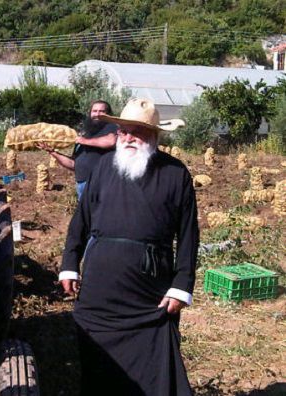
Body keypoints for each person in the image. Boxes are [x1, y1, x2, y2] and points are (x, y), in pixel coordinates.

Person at [59, 98, 198, 395]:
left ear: (154, 136)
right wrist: (69, 264)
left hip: (149, 293)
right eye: (124, 131)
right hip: (100, 287)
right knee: (96, 356)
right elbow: (80, 221)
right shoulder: (104, 167)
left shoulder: (175, 174)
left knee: (153, 363)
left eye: (138, 131)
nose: (129, 137)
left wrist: (181, 286)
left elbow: (188, 236)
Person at [37, 100, 117, 199]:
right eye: (94, 111)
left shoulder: (111, 127)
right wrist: (52, 152)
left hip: (100, 185)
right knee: (85, 214)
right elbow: (73, 164)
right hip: (82, 184)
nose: (97, 114)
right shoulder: (86, 133)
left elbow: (111, 141)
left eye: (102, 111)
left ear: (108, 114)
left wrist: (85, 141)